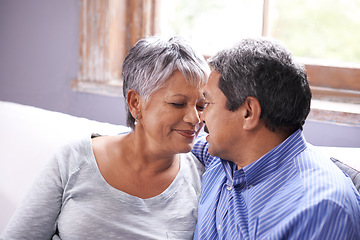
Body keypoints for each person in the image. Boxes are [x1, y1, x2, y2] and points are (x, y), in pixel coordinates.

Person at [1, 36, 209, 239]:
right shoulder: (73, 160)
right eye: (178, 103)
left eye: (201, 106)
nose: (195, 118)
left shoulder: (202, 180)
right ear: (136, 102)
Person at [192, 38, 360, 239]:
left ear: (248, 112)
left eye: (207, 104)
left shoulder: (319, 209)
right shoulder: (224, 157)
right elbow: (177, 139)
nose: (201, 118)